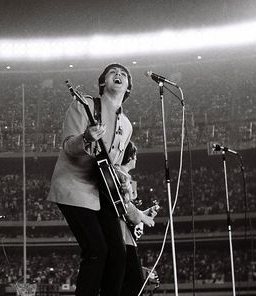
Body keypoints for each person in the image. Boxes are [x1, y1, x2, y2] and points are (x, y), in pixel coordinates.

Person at [48, 63, 148, 296]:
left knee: (119, 252)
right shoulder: (85, 105)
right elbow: (68, 147)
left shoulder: (127, 125)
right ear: (103, 82)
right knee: (96, 250)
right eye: (113, 72)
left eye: (124, 74)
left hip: (103, 190)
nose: (119, 75)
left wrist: (122, 179)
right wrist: (85, 137)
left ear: (128, 88)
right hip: (74, 185)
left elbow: (114, 165)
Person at [116, 141, 157, 296]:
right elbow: (124, 207)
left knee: (128, 281)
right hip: (122, 237)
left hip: (127, 236)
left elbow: (129, 209)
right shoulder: (121, 175)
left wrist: (143, 213)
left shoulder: (128, 178)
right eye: (135, 155)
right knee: (134, 282)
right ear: (130, 156)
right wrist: (141, 217)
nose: (136, 159)